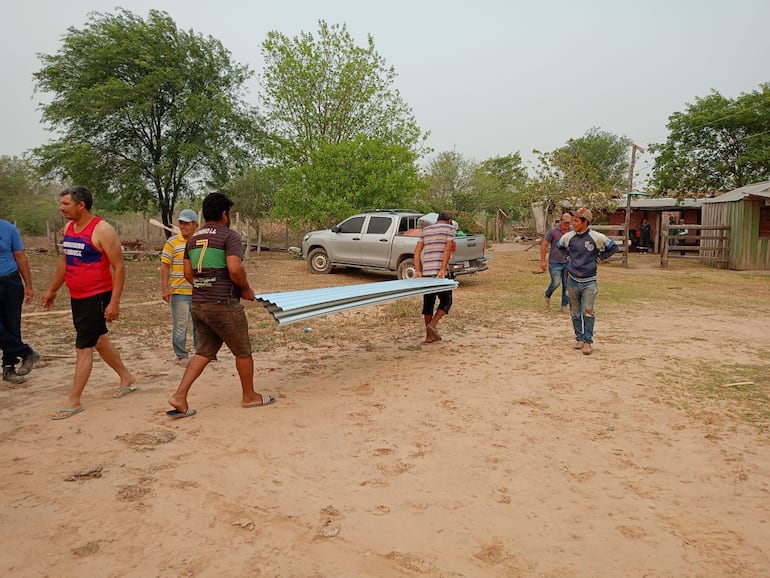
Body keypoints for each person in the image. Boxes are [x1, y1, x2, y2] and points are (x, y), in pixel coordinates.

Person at [166, 192, 275, 418]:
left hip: (199, 303)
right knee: (243, 351)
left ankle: (179, 396)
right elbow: (235, 269)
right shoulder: (229, 236)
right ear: (225, 214)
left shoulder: (193, 239)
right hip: (223, 304)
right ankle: (249, 397)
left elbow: (187, 273)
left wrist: (205, 285)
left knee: (204, 351)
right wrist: (245, 289)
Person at [42, 187, 136, 419]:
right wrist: (53, 289)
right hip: (77, 295)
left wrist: (114, 303)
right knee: (99, 339)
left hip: (96, 295)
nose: (61, 208)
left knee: (84, 346)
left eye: (65, 204)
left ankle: (74, 400)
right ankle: (127, 377)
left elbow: (119, 266)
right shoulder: (69, 228)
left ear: (80, 205)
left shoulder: (102, 230)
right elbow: (66, 260)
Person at [558, 207, 619, 355]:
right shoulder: (568, 237)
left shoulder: (596, 237)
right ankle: (579, 337)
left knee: (588, 311)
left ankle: (587, 341)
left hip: (589, 281)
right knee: (575, 312)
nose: (573, 223)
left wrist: (599, 258)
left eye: (576, 221)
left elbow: (613, 247)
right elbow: (560, 246)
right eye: (572, 220)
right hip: (572, 279)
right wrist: (568, 259)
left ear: (585, 222)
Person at [0, 219, 40, 384]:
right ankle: (26, 352)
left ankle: (9, 367)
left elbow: (20, 256)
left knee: (12, 325)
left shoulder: (9, 229)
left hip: (10, 282)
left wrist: (28, 286)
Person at [160, 209, 199, 366]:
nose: (183, 226)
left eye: (186, 223)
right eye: (181, 223)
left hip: (198, 291)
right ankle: (181, 355)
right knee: (180, 326)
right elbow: (164, 267)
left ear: (195, 225)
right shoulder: (172, 243)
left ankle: (201, 353)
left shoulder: (200, 242)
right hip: (180, 292)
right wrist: (165, 288)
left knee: (200, 325)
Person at [414, 210, 455, 344]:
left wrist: (418, 270)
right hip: (439, 273)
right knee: (447, 301)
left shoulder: (425, 230)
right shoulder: (450, 228)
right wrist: (442, 269)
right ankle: (432, 324)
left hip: (426, 273)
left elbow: (416, 252)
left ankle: (428, 336)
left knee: (428, 304)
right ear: (449, 220)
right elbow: (447, 250)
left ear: (437, 219)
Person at [540, 212, 572, 312]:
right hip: (555, 262)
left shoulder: (572, 233)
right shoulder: (553, 232)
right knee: (556, 282)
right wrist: (543, 261)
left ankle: (564, 305)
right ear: (561, 221)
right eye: (565, 222)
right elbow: (544, 245)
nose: (567, 224)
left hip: (568, 262)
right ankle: (548, 294)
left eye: (568, 222)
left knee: (567, 285)